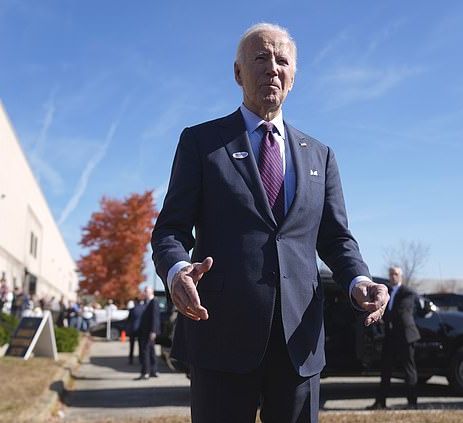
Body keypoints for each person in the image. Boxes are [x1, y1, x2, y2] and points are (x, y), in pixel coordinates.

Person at [151, 23, 388, 422]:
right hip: (222, 333)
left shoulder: (321, 156)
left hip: (299, 340)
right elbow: (170, 230)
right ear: (238, 72)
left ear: (294, 77)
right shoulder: (200, 142)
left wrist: (359, 281)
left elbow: (336, 238)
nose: (272, 68)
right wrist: (177, 272)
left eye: (282, 60)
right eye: (260, 58)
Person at [367, 266, 421, 410]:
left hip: (405, 336)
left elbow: (401, 311)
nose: (393, 276)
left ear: (401, 276)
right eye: (391, 274)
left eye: (396, 274)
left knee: (409, 370)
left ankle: (412, 403)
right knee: (385, 370)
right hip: (391, 336)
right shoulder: (387, 292)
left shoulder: (407, 293)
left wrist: (379, 315)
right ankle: (380, 403)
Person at [138, 286, 161, 379]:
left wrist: (153, 331)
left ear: (151, 292)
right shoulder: (146, 302)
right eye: (145, 291)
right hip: (145, 331)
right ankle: (153, 371)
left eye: (146, 291)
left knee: (146, 351)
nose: (145, 292)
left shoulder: (154, 302)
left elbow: (155, 317)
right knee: (151, 351)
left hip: (150, 332)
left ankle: (145, 372)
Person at [126, 295, 145, 364]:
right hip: (141, 329)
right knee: (141, 345)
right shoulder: (144, 309)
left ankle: (131, 359)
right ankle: (141, 359)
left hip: (133, 329)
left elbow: (128, 320)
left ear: (135, 302)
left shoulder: (132, 310)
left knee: (132, 345)